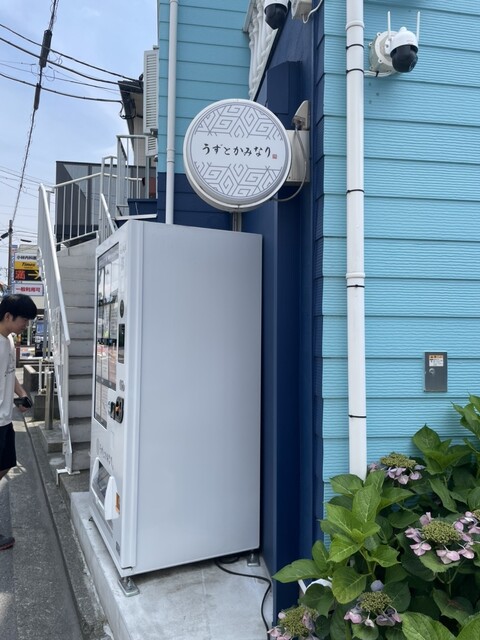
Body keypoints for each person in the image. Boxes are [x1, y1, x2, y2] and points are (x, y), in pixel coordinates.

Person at [0, 294, 37, 550]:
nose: (26, 324)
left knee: (6, 465)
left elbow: (9, 374)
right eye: (24, 319)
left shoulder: (9, 340)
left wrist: (21, 394)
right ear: (8, 316)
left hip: (4, 419)